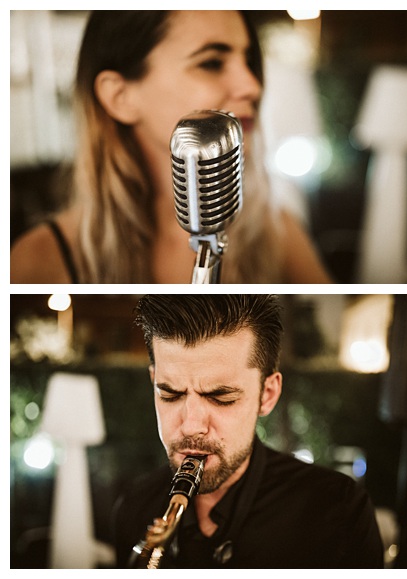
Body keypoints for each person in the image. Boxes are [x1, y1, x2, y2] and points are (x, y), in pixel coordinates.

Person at [11, 11, 331, 283]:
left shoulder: (279, 234)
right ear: (119, 97)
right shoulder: (38, 260)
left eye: (248, 60)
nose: (252, 85)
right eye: (211, 62)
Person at [112, 295, 381, 568]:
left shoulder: (339, 511)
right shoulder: (133, 508)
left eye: (221, 397)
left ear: (267, 394)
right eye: (170, 394)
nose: (192, 426)